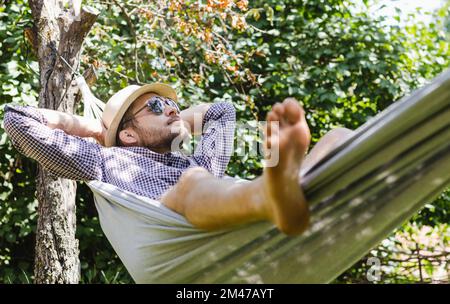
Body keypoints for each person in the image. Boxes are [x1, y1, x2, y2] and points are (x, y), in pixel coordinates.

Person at [3, 83, 353, 235]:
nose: (171, 107)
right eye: (155, 106)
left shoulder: (200, 161)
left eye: (171, 102)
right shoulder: (101, 161)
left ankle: (280, 190)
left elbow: (221, 111)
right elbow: (16, 119)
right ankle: (273, 194)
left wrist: (171, 118)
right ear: (127, 135)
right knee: (193, 183)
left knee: (339, 138)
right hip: (178, 223)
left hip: (230, 207)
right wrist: (98, 130)